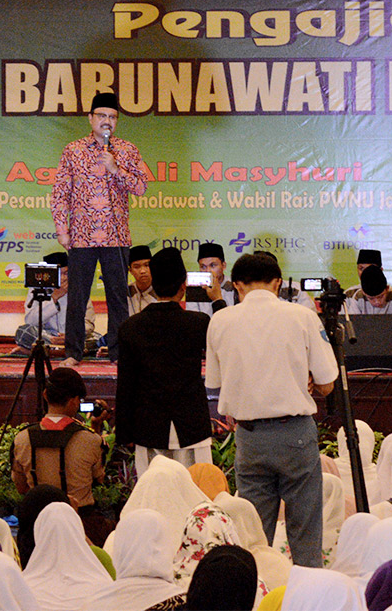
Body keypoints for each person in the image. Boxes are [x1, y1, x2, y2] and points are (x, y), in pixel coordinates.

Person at [205, 251, 337, 567]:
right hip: (296, 434)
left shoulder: (220, 321)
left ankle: (259, 592)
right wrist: (305, 378)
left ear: (235, 285)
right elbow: (328, 382)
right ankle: (306, 595)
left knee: (254, 532)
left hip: (250, 438)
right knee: (305, 530)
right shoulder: (302, 316)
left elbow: (215, 381)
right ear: (277, 282)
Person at [49, 91, 148, 366]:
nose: (107, 121)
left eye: (112, 117)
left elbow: (141, 187)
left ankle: (118, 352)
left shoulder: (127, 150)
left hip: (116, 236)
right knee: (77, 297)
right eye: (102, 116)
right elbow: (60, 193)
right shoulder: (73, 150)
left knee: (117, 297)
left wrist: (116, 169)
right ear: (90, 118)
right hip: (81, 236)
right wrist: (62, 229)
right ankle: (73, 353)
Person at [114, 248, 214, 472]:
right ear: (183, 285)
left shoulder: (130, 327)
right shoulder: (198, 322)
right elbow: (225, 348)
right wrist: (216, 300)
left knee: (153, 499)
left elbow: (126, 386)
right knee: (198, 497)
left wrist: (124, 435)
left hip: (148, 428)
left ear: (154, 284)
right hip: (191, 425)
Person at [10, 367, 105, 512]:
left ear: (45, 395)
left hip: (38, 519)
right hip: (80, 521)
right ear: (74, 401)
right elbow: (99, 480)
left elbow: (21, 487)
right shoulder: (91, 440)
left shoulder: (22, 438)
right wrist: (96, 426)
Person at [13, 251, 98, 357]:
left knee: (99, 340)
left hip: (73, 337)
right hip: (48, 337)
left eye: (66, 273)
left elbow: (88, 323)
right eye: (58, 274)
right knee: (24, 332)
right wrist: (54, 297)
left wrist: (70, 336)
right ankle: (64, 351)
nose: (63, 278)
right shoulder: (38, 287)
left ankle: (41, 351)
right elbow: (31, 321)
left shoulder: (78, 287)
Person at [197, 242, 237, 308]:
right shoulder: (195, 288)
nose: (208, 271)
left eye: (212, 265)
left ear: (223, 266)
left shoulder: (235, 285)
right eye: (203, 267)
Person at [127, 244, 156, 315]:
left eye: (147, 265)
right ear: (130, 271)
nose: (142, 271)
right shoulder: (126, 294)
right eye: (137, 267)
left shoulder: (162, 293)